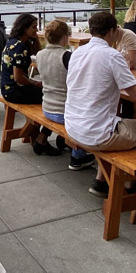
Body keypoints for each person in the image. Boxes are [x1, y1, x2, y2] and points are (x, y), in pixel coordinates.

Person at [64, 11, 136, 198]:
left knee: (120, 122)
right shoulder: (111, 55)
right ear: (113, 31)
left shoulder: (77, 53)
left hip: (73, 126)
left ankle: (101, 181)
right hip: (95, 133)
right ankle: (133, 188)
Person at [38, 19, 95, 170]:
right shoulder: (66, 56)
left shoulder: (40, 54)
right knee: (92, 114)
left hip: (47, 106)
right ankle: (78, 157)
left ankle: (63, 141)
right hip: (64, 111)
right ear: (64, 37)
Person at [0, 13, 60, 156]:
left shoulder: (12, 42)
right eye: (34, 27)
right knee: (55, 98)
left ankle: (38, 136)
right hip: (15, 91)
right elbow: (18, 78)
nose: (37, 29)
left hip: (7, 89)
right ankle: (42, 138)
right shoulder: (20, 47)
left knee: (50, 96)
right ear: (24, 28)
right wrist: (36, 84)